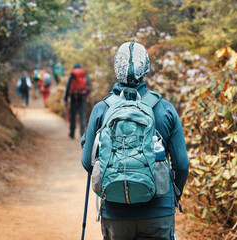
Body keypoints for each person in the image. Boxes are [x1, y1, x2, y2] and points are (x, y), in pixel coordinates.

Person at [80, 42, 190, 240]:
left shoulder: (101, 109)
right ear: (146, 68)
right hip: (159, 211)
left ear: (116, 69)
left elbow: (88, 163)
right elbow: (181, 164)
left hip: (115, 213)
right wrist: (173, 196)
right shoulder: (165, 109)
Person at [64, 63, 91, 139]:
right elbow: (89, 88)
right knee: (82, 117)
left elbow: (68, 88)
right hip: (82, 100)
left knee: (72, 116)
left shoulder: (72, 77)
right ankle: (82, 134)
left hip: (73, 99)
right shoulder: (84, 76)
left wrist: (66, 98)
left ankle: (72, 133)